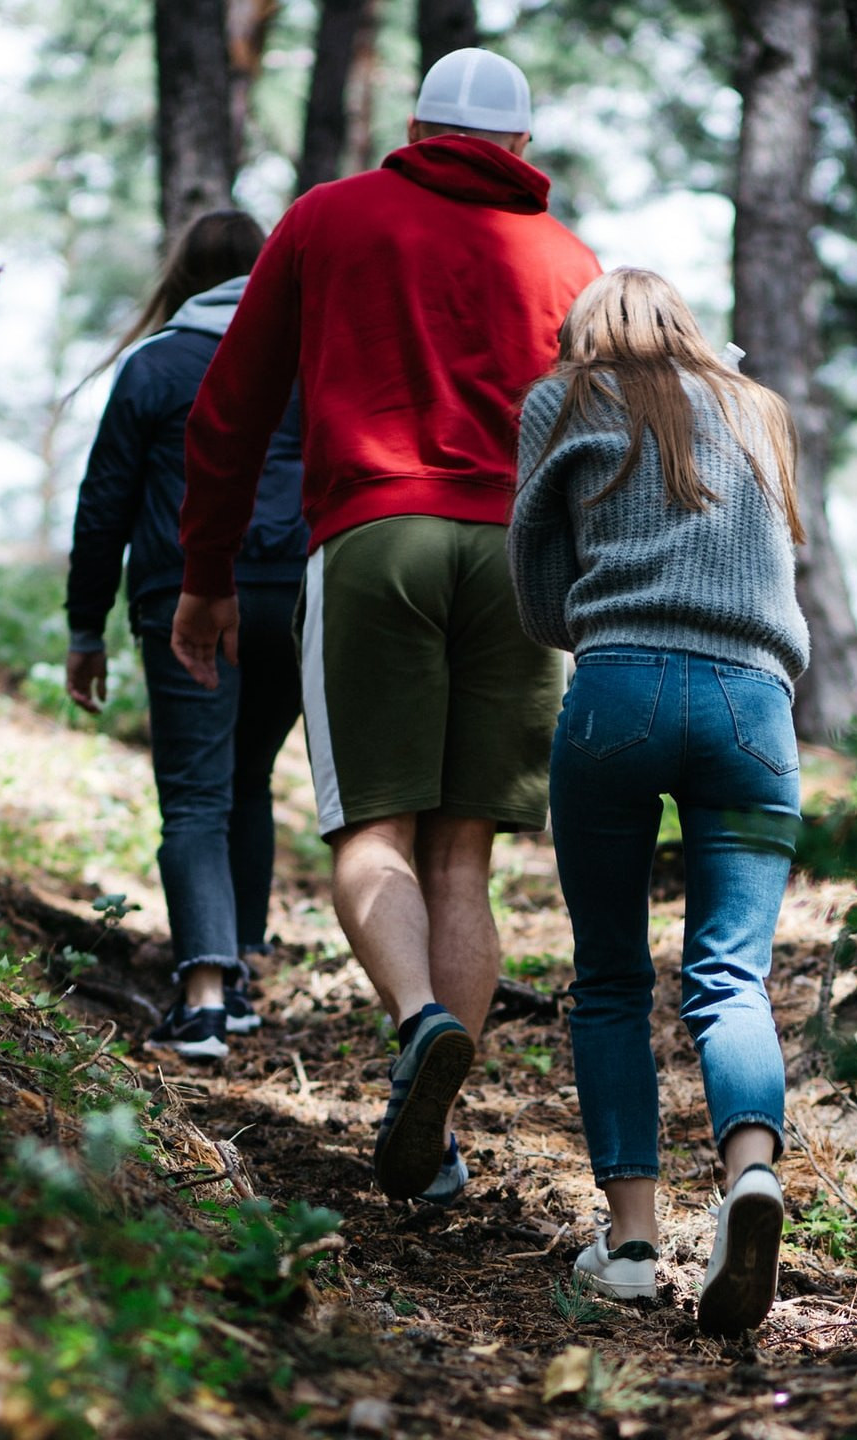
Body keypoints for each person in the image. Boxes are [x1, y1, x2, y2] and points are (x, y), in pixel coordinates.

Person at [171, 48, 602, 1204]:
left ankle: (419, 1024)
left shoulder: (330, 218)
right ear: (521, 146)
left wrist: (206, 572)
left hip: (376, 540)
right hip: (517, 563)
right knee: (464, 856)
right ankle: (438, 1132)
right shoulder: (571, 259)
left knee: (374, 834)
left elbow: (232, 406)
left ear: (415, 126)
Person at [508, 268, 809, 1335]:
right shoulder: (756, 408)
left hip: (620, 689)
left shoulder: (564, 400)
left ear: (585, 332)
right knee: (733, 975)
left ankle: (632, 1248)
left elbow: (540, 595)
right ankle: (751, 1182)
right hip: (755, 710)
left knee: (609, 981)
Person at [63, 209, 309, 1063]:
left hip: (189, 599)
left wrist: (83, 627)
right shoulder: (304, 361)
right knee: (248, 777)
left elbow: (104, 509)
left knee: (199, 793)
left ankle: (203, 1000)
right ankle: (238, 972)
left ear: (182, 276)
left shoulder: (156, 366)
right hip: (296, 597)